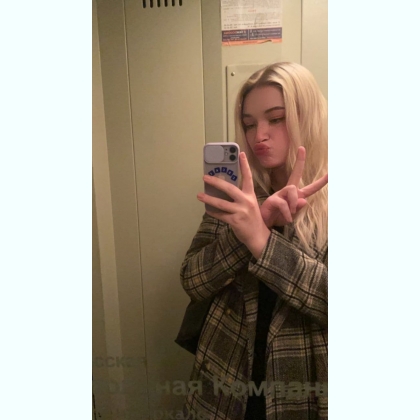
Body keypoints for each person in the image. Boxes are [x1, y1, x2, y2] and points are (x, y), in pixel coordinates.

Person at [180, 62, 328, 420]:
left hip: (304, 388)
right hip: (224, 381)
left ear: (307, 116)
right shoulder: (236, 197)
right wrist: (248, 228)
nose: (258, 135)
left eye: (276, 119)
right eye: (249, 124)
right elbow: (192, 280)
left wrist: (264, 243)